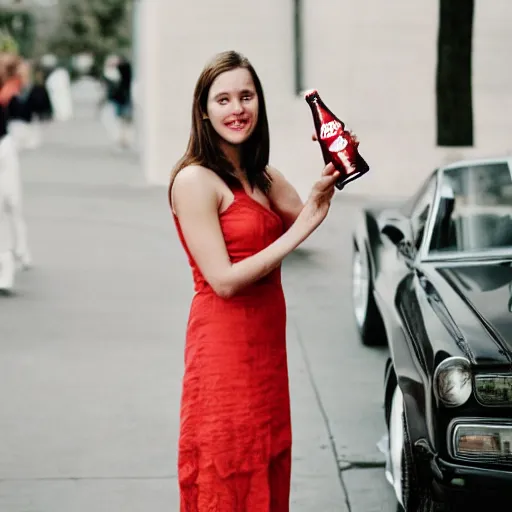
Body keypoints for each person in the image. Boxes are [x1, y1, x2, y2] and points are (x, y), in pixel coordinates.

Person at [168, 50, 341, 511]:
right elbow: (223, 280)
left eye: (246, 96)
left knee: (266, 460)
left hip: (266, 351)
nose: (236, 108)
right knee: (227, 466)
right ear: (204, 110)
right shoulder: (194, 181)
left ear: (259, 103)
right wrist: (301, 229)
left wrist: (336, 162)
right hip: (223, 350)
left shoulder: (264, 176)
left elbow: (310, 210)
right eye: (222, 99)